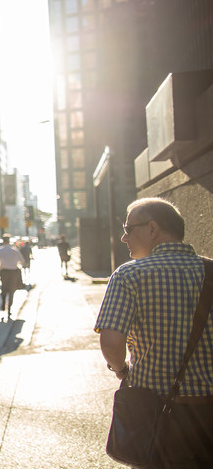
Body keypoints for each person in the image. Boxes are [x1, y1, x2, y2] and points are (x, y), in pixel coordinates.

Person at [95, 197, 213, 468]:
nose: (124, 238)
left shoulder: (129, 275)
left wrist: (121, 369)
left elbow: (111, 343)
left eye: (128, 229)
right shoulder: (211, 271)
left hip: (155, 413)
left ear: (152, 229)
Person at [0, 234, 25, 320]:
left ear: (3, 241)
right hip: (13, 272)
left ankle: (4, 301)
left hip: (4, 272)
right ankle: (9, 308)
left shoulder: (0, 250)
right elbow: (22, 261)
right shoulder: (15, 250)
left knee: (4, 288)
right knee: (12, 290)